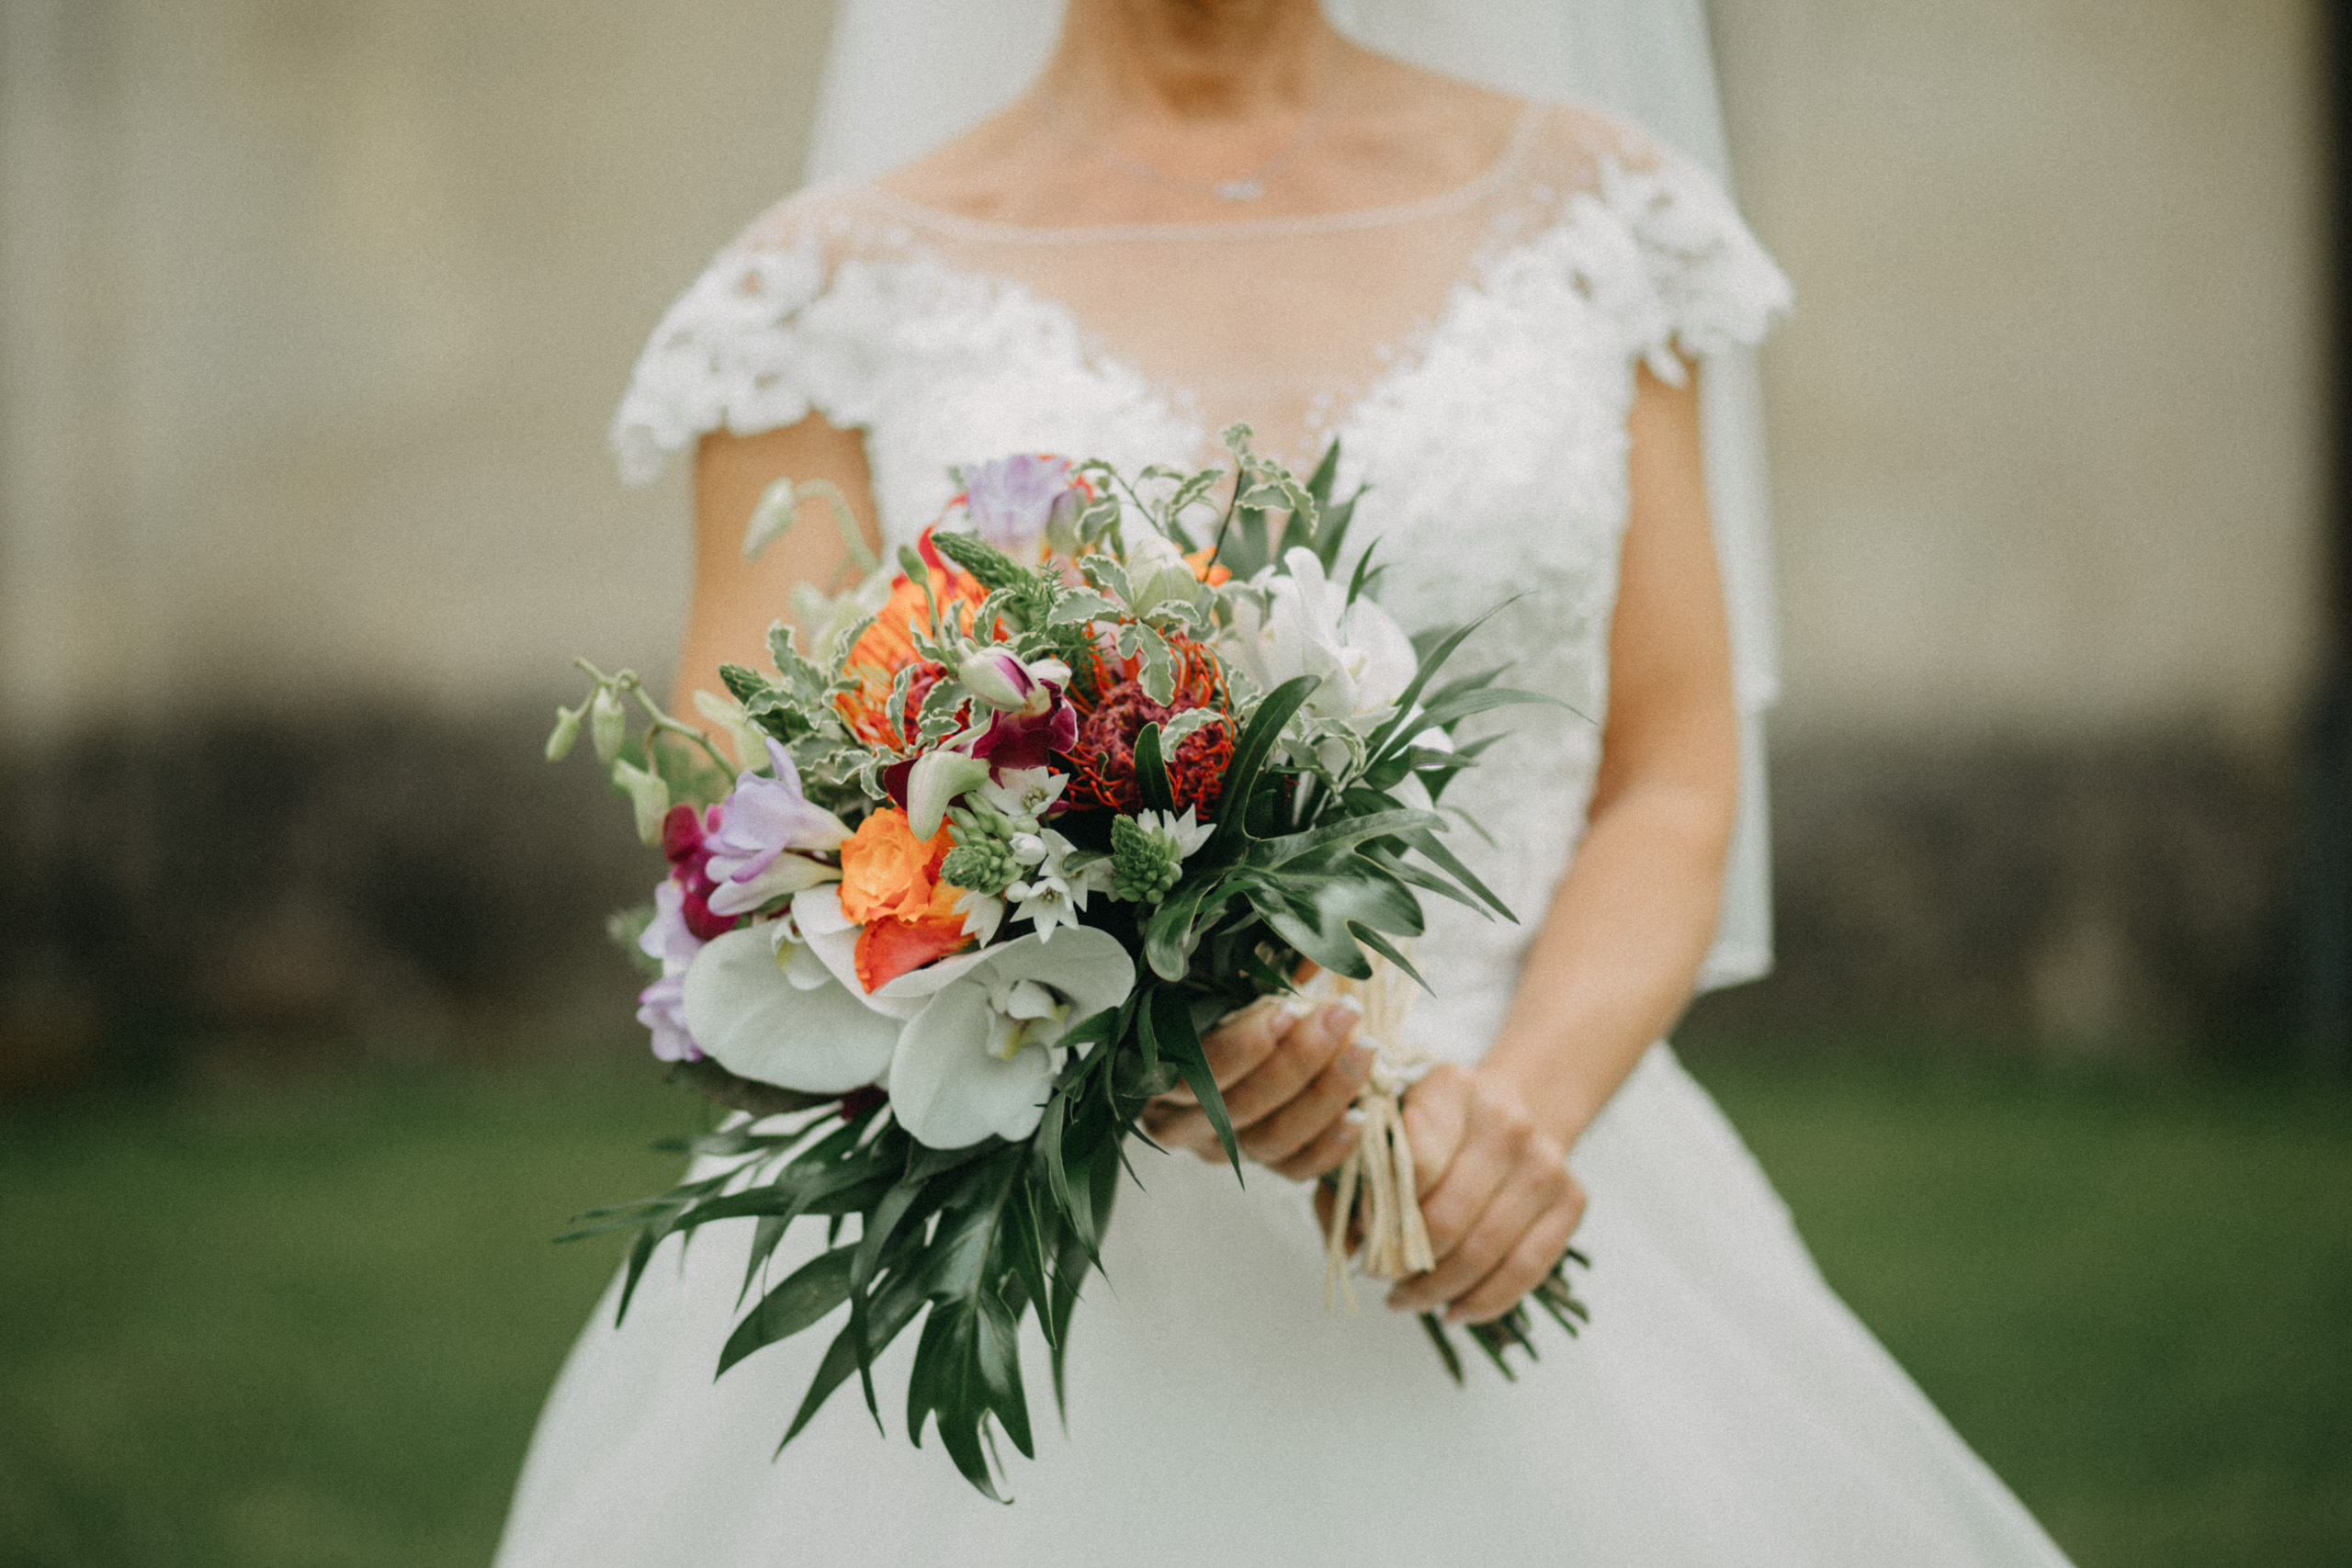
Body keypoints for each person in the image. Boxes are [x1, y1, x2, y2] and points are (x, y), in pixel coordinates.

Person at [498, 3, 2077, 1563]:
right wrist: (1135, 1030)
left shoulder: (1596, 218)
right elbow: (763, 838)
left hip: (1517, 1137)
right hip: (1030, 1230)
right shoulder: (820, 298)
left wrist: (1517, 1117)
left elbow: (1668, 775)